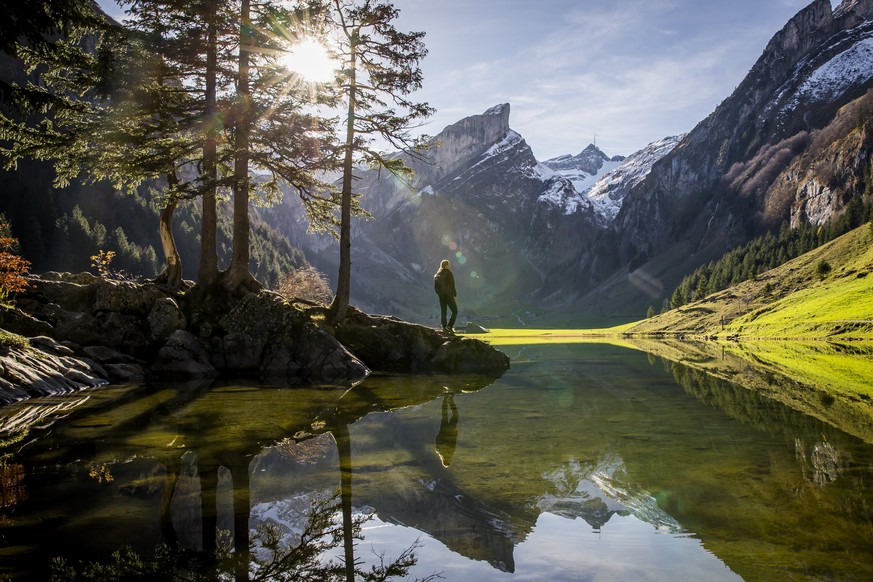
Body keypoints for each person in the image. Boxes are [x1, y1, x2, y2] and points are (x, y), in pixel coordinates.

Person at [433, 259, 457, 333]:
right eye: (449, 264)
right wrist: (454, 294)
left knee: (443, 312)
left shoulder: (437, 274)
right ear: (446, 265)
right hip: (449, 295)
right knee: (455, 311)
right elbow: (452, 285)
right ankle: (449, 326)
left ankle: (444, 327)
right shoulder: (448, 273)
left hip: (441, 296)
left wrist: (440, 294)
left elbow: (435, 287)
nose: (450, 266)